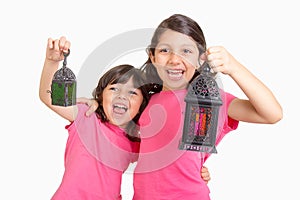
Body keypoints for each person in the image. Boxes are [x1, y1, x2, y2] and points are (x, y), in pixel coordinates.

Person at [84, 13, 282, 199]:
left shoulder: (211, 101)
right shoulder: (145, 101)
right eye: (164, 50)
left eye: (186, 51)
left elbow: (271, 114)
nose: (174, 59)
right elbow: (121, 130)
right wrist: (97, 103)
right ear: (152, 57)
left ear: (200, 58)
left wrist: (234, 67)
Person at [39, 36, 151, 199]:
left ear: (142, 105)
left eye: (132, 92)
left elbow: (166, 163)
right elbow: (47, 97)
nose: (121, 96)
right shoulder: (86, 116)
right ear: (101, 95)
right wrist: (51, 62)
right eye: (114, 89)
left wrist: (200, 171)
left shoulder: (136, 142)